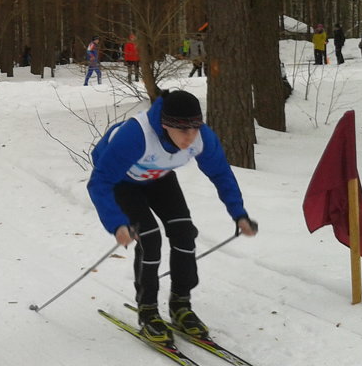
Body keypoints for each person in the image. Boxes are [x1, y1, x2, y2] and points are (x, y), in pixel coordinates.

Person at [86, 90, 257, 344]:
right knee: (150, 239)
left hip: (159, 177)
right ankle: (148, 312)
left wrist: (239, 214)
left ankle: (180, 305)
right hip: (123, 181)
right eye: (183, 131)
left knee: (184, 234)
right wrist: (117, 224)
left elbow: (221, 173)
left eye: (195, 129)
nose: (190, 138)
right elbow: (98, 183)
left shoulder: (202, 138)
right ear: (165, 126)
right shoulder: (135, 136)